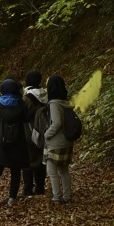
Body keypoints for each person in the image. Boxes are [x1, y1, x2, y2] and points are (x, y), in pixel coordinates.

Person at [0, 77, 29, 208]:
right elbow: (27, 118)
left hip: (0, 142)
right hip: (17, 141)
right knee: (15, 171)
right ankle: (11, 198)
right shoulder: (21, 104)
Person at [43, 73, 75, 204]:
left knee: (51, 169)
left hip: (56, 142)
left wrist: (46, 134)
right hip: (67, 140)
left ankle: (56, 196)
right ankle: (66, 196)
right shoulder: (66, 103)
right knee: (64, 169)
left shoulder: (54, 104)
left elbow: (56, 122)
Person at [22, 69, 47, 197]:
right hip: (44, 131)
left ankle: (27, 190)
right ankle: (40, 188)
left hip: (29, 131)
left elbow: (22, 115)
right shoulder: (46, 95)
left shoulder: (27, 98)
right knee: (41, 160)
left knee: (28, 161)